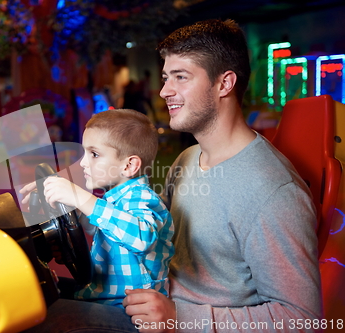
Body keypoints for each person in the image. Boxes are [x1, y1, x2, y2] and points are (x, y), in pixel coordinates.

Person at [24, 19, 322, 333]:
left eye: (181, 77)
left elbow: (303, 317)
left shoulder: (273, 190)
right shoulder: (186, 160)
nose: (165, 91)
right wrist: (70, 213)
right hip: (142, 306)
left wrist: (179, 317)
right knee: (34, 301)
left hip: (176, 325)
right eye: (167, 77)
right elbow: (147, 233)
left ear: (224, 84)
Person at [21, 109, 175, 310]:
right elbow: (104, 231)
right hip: (101, 296)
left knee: (45, 317)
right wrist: (73, 213)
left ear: (129, 166)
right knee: (34, 290)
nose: (83, 163)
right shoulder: (114, 200)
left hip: (126, 311)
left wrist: (82, 198)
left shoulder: (141, 198)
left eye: (94, 154)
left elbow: (141, 238)